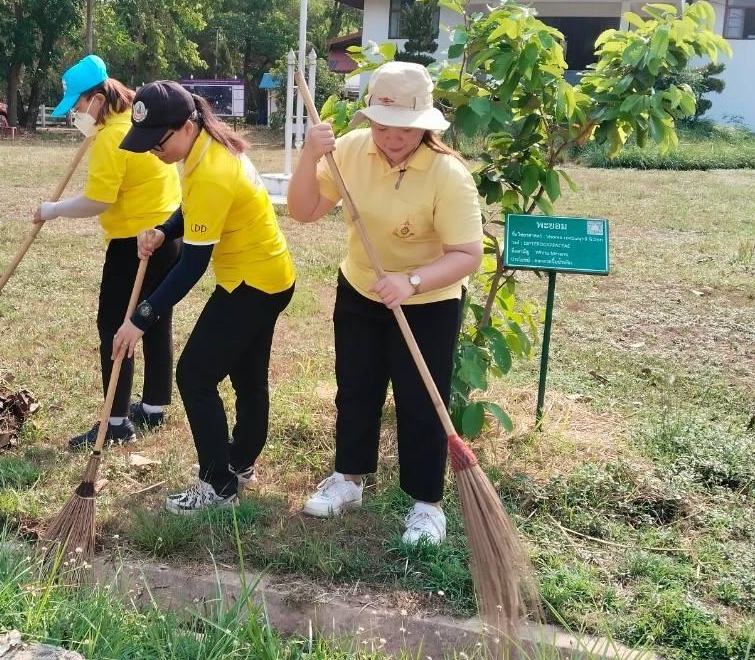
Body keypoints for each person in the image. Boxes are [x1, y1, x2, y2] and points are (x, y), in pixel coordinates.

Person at [286, 62, 483, 545]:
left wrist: (412, 280)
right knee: (356, 387)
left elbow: (468, 255)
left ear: (425, 126)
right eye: (380, 124)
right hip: (360, 288)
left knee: (421, 400)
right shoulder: (350, 152)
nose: (391, 137)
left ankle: (426, 504)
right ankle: (348, 480)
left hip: (428, 300)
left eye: (404, 128)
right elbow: (303, 211)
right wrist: (309, 156)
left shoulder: (447, 175)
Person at [112, 81, 295, 515]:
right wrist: (165, 229)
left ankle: (218, 484)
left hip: (252, 284)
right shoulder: (204, 149)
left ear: (186, 125)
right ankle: (240, 460)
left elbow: (191, 267)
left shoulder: (213, 169)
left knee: (195, 375)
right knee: (248, 375)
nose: (154, 151)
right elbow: (193, 210)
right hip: (267, 275)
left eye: (158, 142)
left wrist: (138, 320)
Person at [38, 55, 183, 448]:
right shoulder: (135, 125)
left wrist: (52, 210)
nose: (77, 115)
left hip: (134, 245)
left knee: (115, 327)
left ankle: (116, 422)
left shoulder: (112, 139)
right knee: (153, 320)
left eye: (80, 106)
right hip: (170, 236)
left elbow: (97, 201)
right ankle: (153, 407)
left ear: (98, 99)